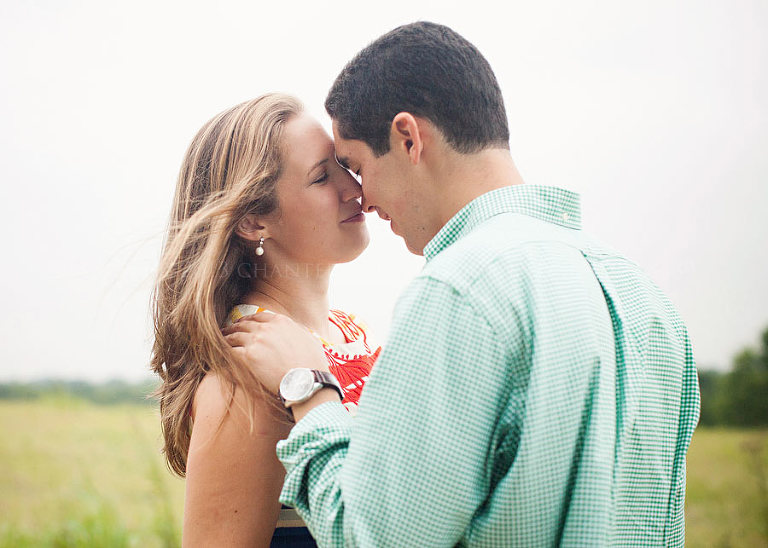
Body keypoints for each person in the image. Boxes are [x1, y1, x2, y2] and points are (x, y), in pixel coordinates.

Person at [223, 21, 701, 547]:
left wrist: (308, 388)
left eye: (356, 166)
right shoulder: (644, 298)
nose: (363, 196)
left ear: (408, 139)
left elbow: (377, 537)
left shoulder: (461, 290)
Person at [150, 93, 380, 547]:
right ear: (254, 222)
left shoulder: (350, 330)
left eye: (343, 165)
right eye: (321, 177)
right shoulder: (246, 374)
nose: (354, 188)